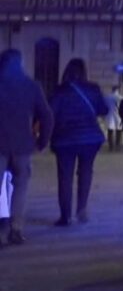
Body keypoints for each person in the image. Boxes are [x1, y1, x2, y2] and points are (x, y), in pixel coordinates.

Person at [0, 49, 54, 245]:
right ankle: (15, 228)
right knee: (20, 186)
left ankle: (0, 228)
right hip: (22, 145)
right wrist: (42, 142)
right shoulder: (31, 86)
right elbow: (47, 116)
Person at [48, 58, 109, 226]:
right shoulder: (93, 88)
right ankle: (82, 209)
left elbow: (51, 112)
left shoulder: (60, 90)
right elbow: (103, 109)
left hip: (64, 139)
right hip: (90, 138)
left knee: (65, 176)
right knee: (86, 171)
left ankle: (65, 216)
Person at [103, 86, 122, 152]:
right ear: (117, 90)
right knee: (119, 131)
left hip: (109, 115)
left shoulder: (107, 97)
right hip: (118, 116)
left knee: (110, 131)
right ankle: (117, 145)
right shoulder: (120, 97)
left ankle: (111, 146)